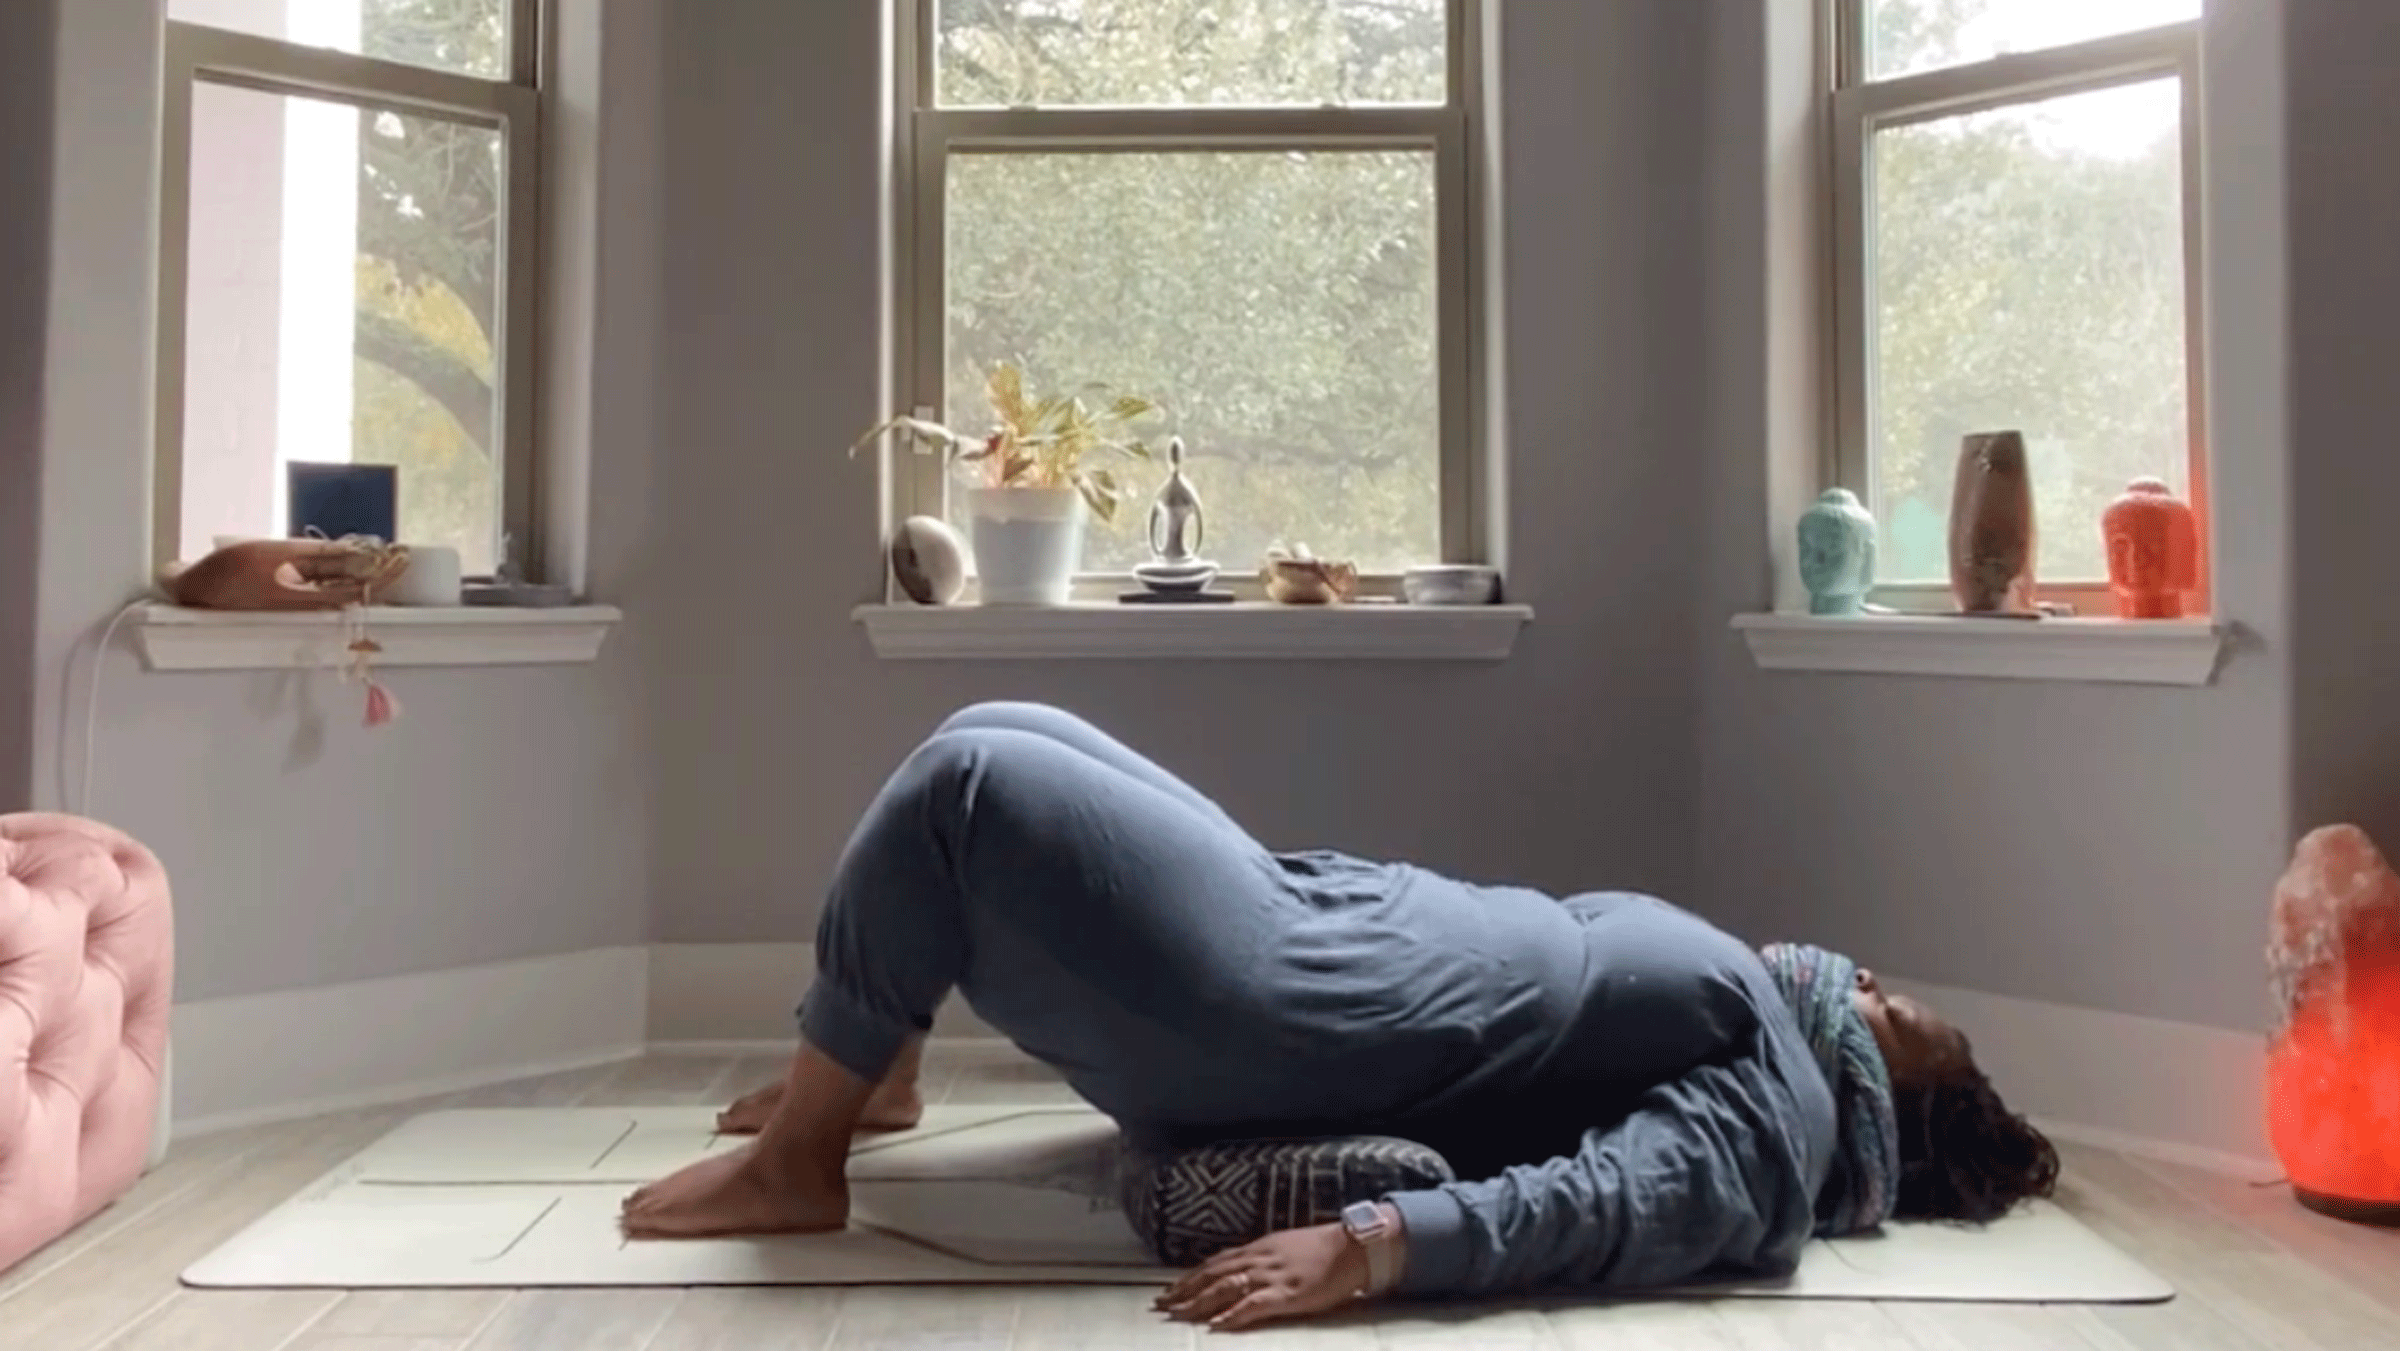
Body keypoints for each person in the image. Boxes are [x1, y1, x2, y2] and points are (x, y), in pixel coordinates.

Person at [620, 703, 2058, 1331]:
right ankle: (879, 1077)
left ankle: (803, 1158)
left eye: (1888, 1010)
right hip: (1316, 938)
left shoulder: (1781, 1126)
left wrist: (1375, 1246)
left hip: (1299, 1008)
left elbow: (1612, 1200)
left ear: (1882, 1096)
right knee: (990, 727)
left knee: (964, 798)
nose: (1862, 980)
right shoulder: (1769, 1049)